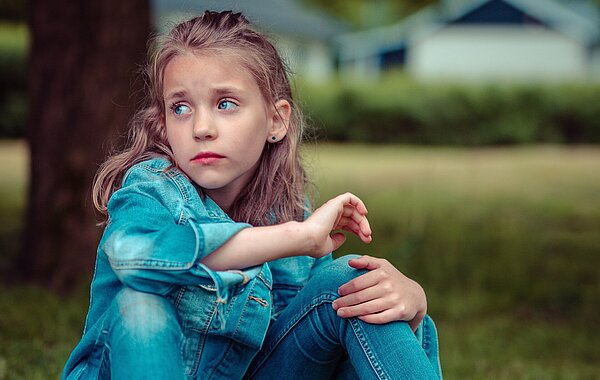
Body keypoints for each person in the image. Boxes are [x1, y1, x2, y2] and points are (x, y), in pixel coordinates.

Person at [62, 10, 442, 380]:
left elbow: (324, 312)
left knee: (360, 290)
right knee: (140, 306)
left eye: (225, 103)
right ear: (162, 127)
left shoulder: (286, 210)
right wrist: (297, 238)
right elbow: (134, 258)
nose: (202, 127)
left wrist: (415, 303)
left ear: (276, 121)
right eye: (180, 108)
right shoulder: (149, 190)